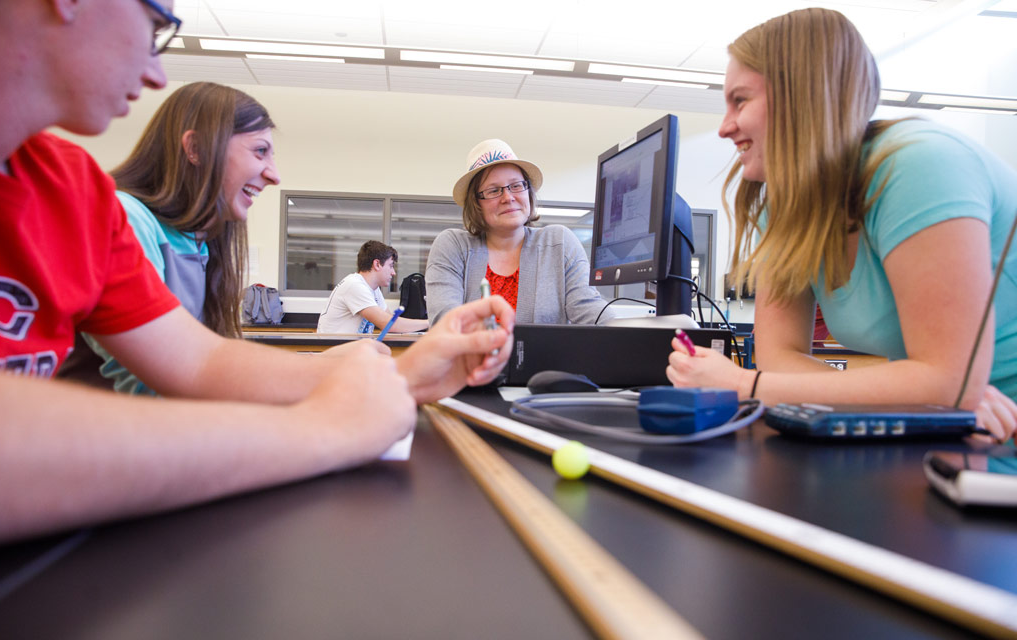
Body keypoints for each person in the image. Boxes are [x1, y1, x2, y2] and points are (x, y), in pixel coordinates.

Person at [0, 0, 514, 545]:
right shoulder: (120, 210)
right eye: (155, 31)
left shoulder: (72, 187)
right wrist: (324, 428)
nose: (155, 72)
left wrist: (401, 377)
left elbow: (197, 360)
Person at [666, 8, 1017, 442]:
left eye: (740, 100)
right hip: (946, 426)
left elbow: (949, 385)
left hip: (1000, 429)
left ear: (801, 96)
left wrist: (743, 385)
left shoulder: (918, 166)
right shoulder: (786, 201)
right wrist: (924, 397)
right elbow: (778, 356)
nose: (724, 127)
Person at [58, 81, 282, 393]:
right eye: (260, 151)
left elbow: (202, 362)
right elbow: (149, 382)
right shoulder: (127, 218)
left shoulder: (198, 239)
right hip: (100, 431)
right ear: (195, 149)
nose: (274, 174)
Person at [425, 139, 614, 326]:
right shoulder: (453, 246)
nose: (508, 197)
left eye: (516, 186)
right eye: (493, 190)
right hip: (472, 357)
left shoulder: (560, 242)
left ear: (528, 191)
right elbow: (445, 321)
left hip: (546, 358)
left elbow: (589, 309)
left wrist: (632, 333)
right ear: (476, 203)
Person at [317, 240, 430, 334]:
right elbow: (389, 324)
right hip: (335, 355)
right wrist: (431, 322)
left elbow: (390, 319)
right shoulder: (354, 285)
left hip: (350, 352)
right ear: (377, 264)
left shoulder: (373, 289)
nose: (393, 273)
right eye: (390, 266)